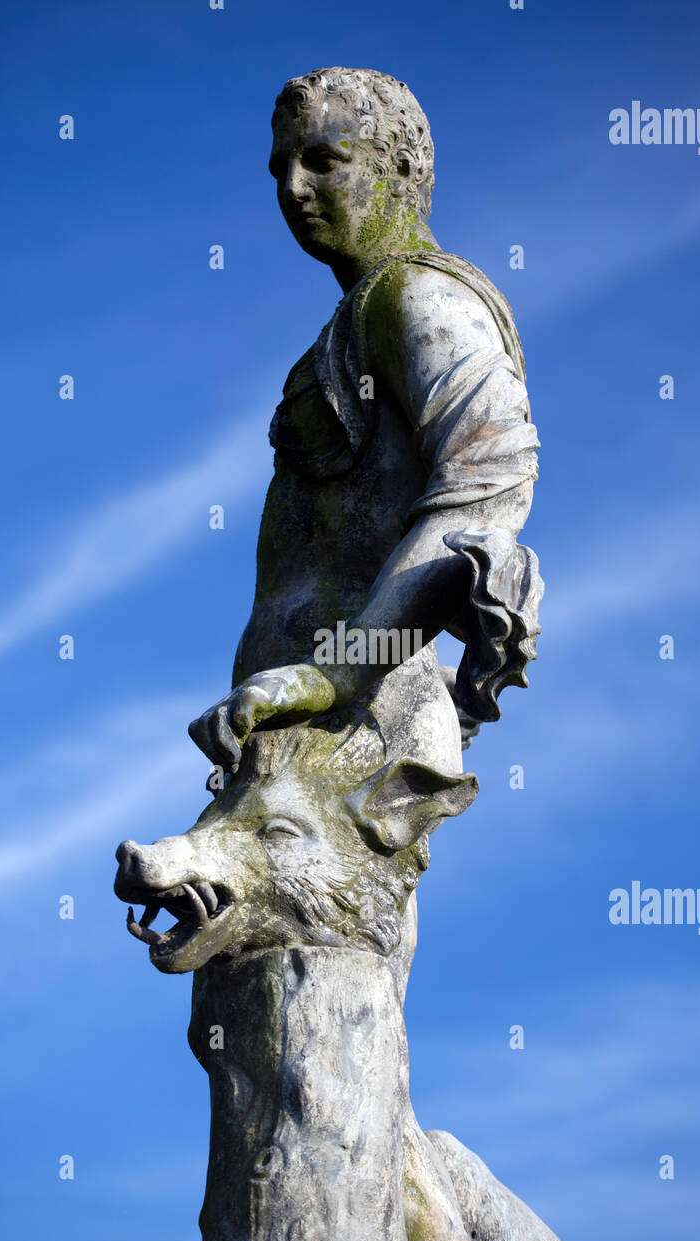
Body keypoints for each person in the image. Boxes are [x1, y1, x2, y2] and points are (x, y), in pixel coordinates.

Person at [189, 67, 543, 776]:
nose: (293, 188)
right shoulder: (358, 316)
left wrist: (338, 675)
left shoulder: (420, 295)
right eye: (281, 168)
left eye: (323, 160)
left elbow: (489, 486)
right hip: (293, 722)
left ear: (401, 167)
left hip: (348, 721)